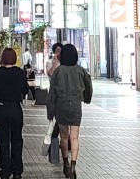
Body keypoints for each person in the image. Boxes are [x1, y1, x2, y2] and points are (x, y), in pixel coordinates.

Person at [46, 43, 92, 179]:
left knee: (64, 137)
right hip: (76, 105)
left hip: (61, 105)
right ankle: (73, 165)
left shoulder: (58, 71)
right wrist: (86, 99)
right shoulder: (81, 71)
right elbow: (89, 87)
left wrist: (50, 110)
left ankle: (65, 161)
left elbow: (52, 92)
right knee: (74, 137)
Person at [0, 47, 30, 179]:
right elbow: (25, 90)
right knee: (17, 140)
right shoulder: (20, 73)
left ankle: (5, 170)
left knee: (3, 141)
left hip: (2, 109)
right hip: (15, 109)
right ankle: (17, 170)